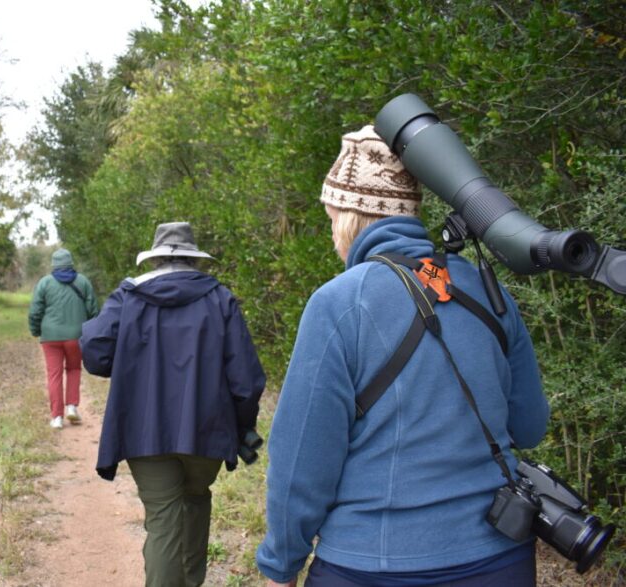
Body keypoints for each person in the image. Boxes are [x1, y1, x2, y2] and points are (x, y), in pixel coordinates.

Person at [256, 126, 550, 586]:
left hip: (373, 564)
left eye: (331, 214)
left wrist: (281, 563)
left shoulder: (339, 303)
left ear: (348, 216)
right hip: (501, 556)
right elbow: (530, 426)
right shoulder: (487, 291)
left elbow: (301, 462)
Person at [80, 221, 267, 587]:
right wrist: (243, 427)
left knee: (164, 520)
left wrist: (131, 361)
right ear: (194, 259)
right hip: (207, 432)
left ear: (154, 259)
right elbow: (246, 382)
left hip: (143, 432)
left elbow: (94, 351)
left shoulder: (129, 297)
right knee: (195, 501)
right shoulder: (220, 299)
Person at [28, 248, 99, 429]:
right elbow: (93, 310)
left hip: (50, 337)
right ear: (70, 264)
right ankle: (72, 407)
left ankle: (56, 418)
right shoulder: (82, 281)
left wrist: (36, 330)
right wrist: (90, 331)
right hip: (76, 335)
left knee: (54, 374)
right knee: (74, 369)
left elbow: (35, 311)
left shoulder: (44, 283)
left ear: (54, 265)